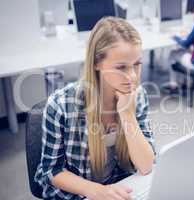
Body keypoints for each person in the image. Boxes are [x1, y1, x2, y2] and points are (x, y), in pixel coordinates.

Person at [35, 17, 155, 200]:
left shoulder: (138, 96)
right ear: (97, 63)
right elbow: (51, 171)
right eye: (121, 67)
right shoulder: (61, 106)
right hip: (76, 195)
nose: (132, 77)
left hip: (121, 190)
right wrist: (97, 191)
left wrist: (127, 114)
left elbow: (146, 165)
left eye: (137, 65)